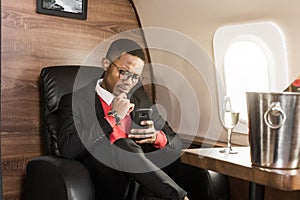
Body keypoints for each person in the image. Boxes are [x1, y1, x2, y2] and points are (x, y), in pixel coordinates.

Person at [57, 39, 189, 200]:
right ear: (106, 64)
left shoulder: (140, 98)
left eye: (135, 77)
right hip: (105, 179)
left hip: (145, 184)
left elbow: (176, 142)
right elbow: (68, 149)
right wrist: (112, 118)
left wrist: (156, 137)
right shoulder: (73, 101)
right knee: (124, 145)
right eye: (123, 72)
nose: (128, 82)